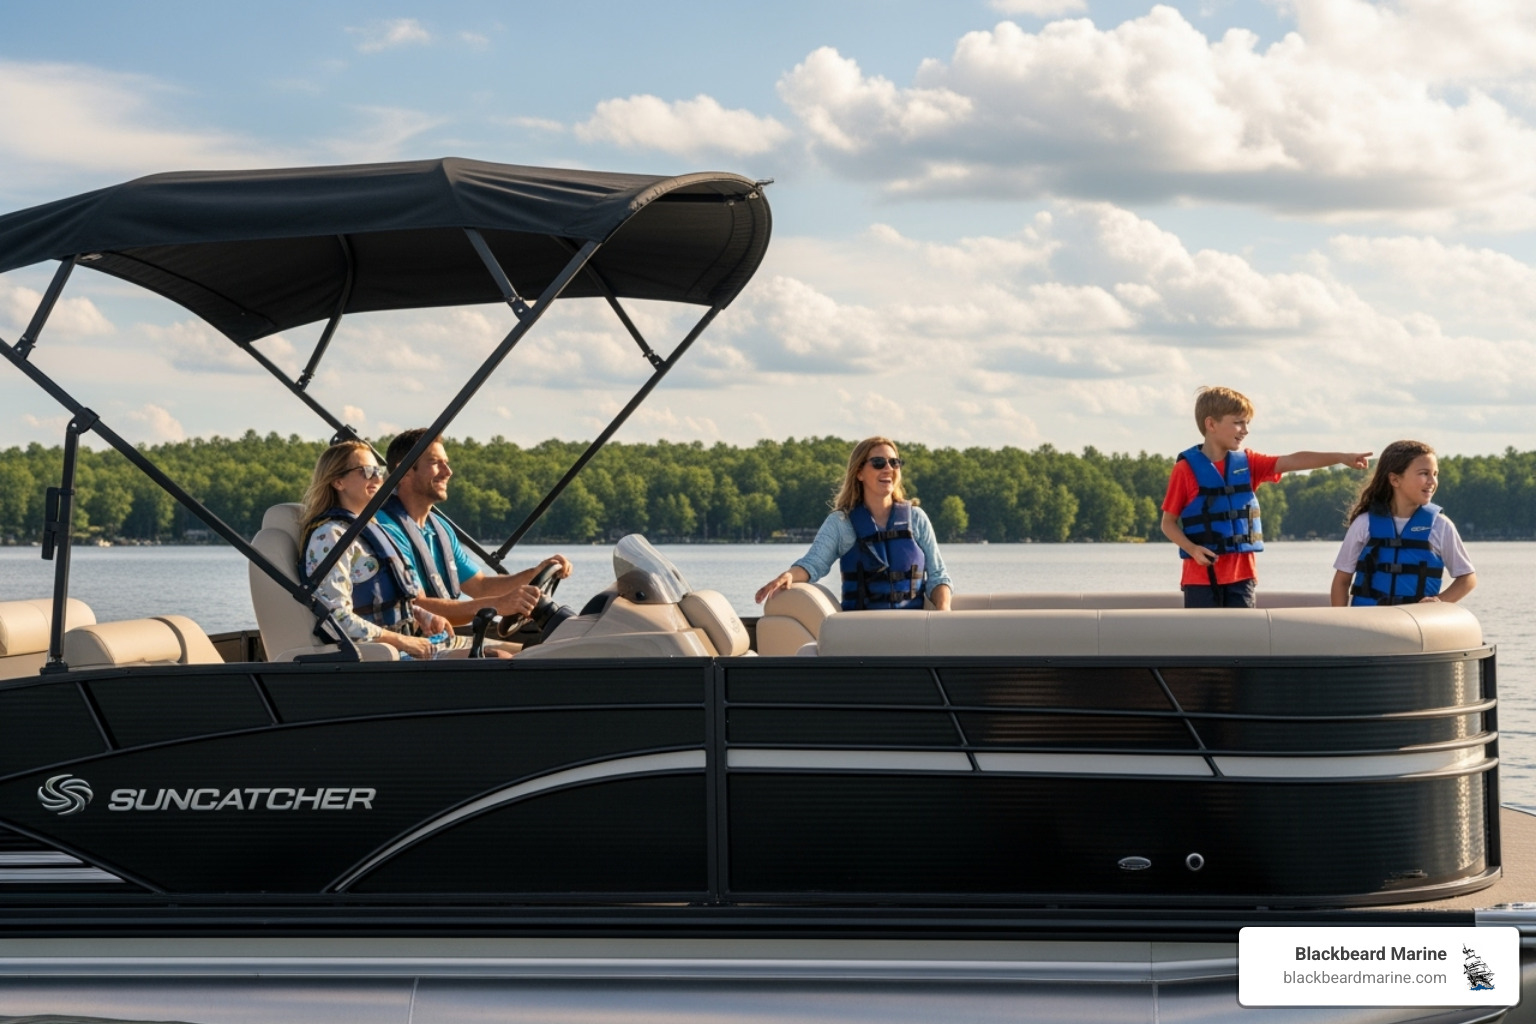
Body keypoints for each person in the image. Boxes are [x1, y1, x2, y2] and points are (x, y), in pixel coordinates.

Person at [1161, 386, 1371, 608]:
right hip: (1199, 580)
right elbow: (1168, 523)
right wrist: (1192, 549)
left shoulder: (1249, 463)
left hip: (1242, 578)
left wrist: (1340, 457)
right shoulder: (1185, 470)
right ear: (1211, 424)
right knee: (1206, 643)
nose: (1245, 430)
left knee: (1244, 641)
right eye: (1238, 422)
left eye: (1247, 423)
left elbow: (1294, 461)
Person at [299, 441, 506, 659]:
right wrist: (402, 641)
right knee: (496, 658)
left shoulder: (373, 530)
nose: (377, 478)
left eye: (378, 471)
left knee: (505, 655)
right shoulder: (330, 537)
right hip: (375, 657)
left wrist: (425, 617)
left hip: (402, 649)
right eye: (367, 471)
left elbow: (395, 600)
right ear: (338, 481)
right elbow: (336, 616)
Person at [374, 428, 572, 628]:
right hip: (417, 647)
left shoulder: (440, 528)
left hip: (444, 639)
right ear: (404, 471)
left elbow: (481, 586)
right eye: (435, 463)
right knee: (519, 656)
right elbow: (416, 606)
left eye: (447, 463)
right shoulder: (385, 529)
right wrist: (498, 604)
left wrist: (535, 573)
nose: (448, 472)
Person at [755, 436, 953, 610]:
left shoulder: (917, 518)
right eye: (878, 463)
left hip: (912, 630)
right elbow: (812, 565)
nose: (888, 469)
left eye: (894, 462)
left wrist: (943, 613)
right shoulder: (841, 523)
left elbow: (938, 576)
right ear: (859, 473)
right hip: (859, 631)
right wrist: (788, 576)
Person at [1330, 440, 1476, 606]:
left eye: (1435, 474)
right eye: (1424, 473)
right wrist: (1341, 626)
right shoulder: (1364, 524)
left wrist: (1439, 601)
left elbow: (1467, 578)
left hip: (1415, 624)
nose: (1432, 481)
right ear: (1395, 480)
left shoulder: (1441, 526)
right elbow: (1342, 581)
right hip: (1368, 624)